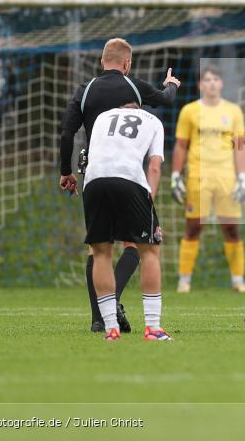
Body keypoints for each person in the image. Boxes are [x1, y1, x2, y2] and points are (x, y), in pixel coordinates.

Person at [59, 38, 180, 332]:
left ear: (102, 61)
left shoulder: (86, 90)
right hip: (129, 174)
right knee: (136, 244)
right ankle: (117, 304)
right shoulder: (133, 86)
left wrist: (66, 172)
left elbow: (66, 133)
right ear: (127, 63)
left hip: (94, 173)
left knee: (98, 248)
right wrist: (171, 84)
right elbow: (165, 99)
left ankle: (99, 319)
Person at [82, 102, 172, 341]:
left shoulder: (102, 116)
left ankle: (111, 329)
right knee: (149, 250)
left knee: (101, 253)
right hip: (129, 180)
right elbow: (154, 167)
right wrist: (149, 201)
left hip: (93, 182)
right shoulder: (152, 121)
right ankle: (153, 328)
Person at [171, 66, 245, 293]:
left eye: (216, 79)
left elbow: (239, 147)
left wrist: (243, 177)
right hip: (198, 177)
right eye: (207, 79)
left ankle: (238, 281)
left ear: (221, 83)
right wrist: (176, 175)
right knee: (193, 227)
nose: (212, 83)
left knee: (231, 229)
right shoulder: (189, 111)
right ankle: (184, 281)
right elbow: (181, 145)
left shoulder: (234, 111)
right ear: (200, 85)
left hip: (226, 177)